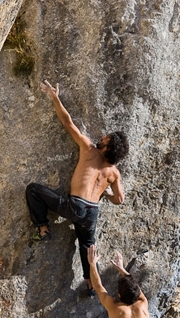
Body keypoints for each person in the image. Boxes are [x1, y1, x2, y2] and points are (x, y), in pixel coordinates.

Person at [26, 80, 128, 295]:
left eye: (105, 139)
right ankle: (92, 284)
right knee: (87, 247)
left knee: (33, 190)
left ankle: (43, 228)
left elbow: (68, 122)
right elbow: (120, 200)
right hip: (92, 212)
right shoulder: (113, 172)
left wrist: (55, 98)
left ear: (108, 146)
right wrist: (107, 193)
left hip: (75, 206)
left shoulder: (90, 150)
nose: (101, 137)